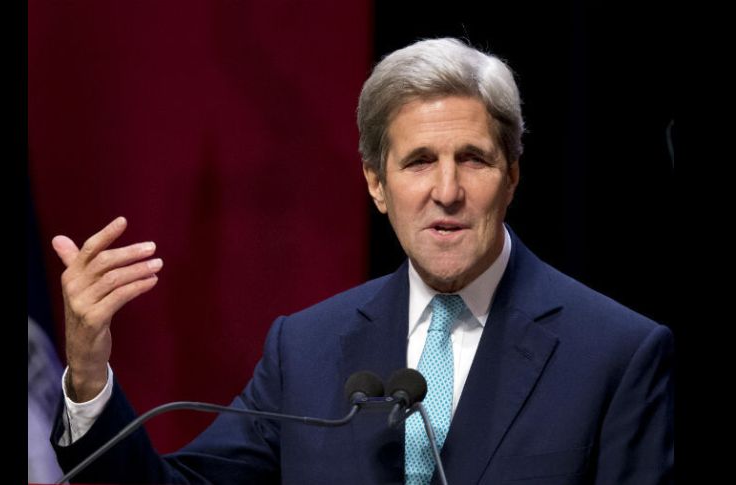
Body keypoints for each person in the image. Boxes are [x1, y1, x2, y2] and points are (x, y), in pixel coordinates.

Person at [50, 38, 674, 484]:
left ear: (511, 177)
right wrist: (87, 375)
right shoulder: (306, 348)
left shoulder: (616, 354)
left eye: (474, 160)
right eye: (419, 161)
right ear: (377, 185)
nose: (447, 190)